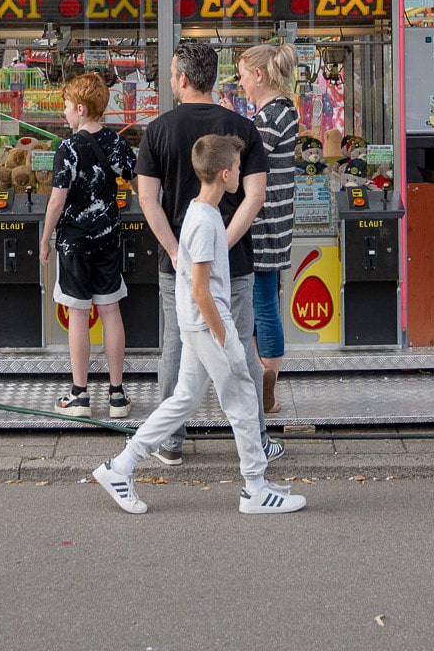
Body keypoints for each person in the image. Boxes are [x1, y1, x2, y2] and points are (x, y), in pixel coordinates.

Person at [91, 134, 304, 516]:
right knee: (242, 399)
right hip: (208, 327)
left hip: (196, 324)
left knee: (184, 400)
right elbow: (203, 291)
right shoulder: (206, 222)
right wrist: (227, 341)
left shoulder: (199, 211)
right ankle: (255, 488)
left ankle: (121, 466)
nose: (240, 172)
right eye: (237, 167)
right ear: (225, 174)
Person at [136, 39, 270, 466]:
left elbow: (148, 199)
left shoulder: (158, 130)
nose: (170, 79)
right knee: (240, 345)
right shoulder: (242, 128)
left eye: (171, 73)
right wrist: (221, 246)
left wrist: (179, 251)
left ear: (182, 78)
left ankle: (169, 443)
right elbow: (255, 195)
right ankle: (256, 441)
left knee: (176, 348)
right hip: (235, 263)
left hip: (176, 265)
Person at [39, 72, 135, 420]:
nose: (64, 112)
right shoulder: (116, 141)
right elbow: (136, 177)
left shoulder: (68, 148)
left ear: (80, 108)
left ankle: (79, 394)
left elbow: (57, 200)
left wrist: (45, 238)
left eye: (66, 106)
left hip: (74, 243)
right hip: (109, 238)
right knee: (111, 311)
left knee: (79, 314)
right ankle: (117, 394)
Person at [238, 42, 299, 415]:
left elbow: (241, 164)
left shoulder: (269, 118)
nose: (241, 84)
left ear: (259, 75)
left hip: (262, 224)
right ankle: (264, 381)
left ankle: (267, 387)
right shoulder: (284, 110)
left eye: (243, 76)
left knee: (261, 305)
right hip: (275, 221)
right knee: (265, 301)